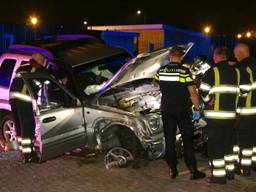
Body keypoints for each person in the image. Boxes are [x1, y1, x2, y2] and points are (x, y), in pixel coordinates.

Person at [154, 46, 205, 180]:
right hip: (182, 110)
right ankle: (193, 170)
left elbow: (157, 85)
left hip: (166, 110)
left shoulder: (161, 70)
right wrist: (197, 109)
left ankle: (172, 169)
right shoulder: (184, 71)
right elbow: (193, 93)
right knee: (188, 140)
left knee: (169, 140)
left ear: (169, 56)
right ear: (181, 57)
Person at [199, 47, 240, 184]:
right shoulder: (236, 72)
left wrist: (208, 100)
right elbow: (242, 93)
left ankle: (219, 176)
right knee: (229, 145)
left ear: (216, 57)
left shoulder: (212, 71)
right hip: (231, 116)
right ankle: (230, 173)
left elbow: (203, 91)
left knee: (215, 147)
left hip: (216, 117)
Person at [9, 53, 46, 162]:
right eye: (42, 61)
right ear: (38, 60)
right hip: (23, 100)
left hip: (13, 99)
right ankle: (29, 156)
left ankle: (23, 152)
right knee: (28, 126)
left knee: (20, 126)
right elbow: (49, 76)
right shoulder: (38, 68)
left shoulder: (22, 67)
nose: (43, 63)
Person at [234, 43, 256, 175]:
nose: (235, 56)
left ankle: (245, 168)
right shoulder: (254, 63)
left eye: (236, 54)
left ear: (241, 53)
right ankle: (254, 163)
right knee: (254, 139)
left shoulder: (242, 66)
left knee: (244, 141)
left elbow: (244, 88)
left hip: (246, 110)